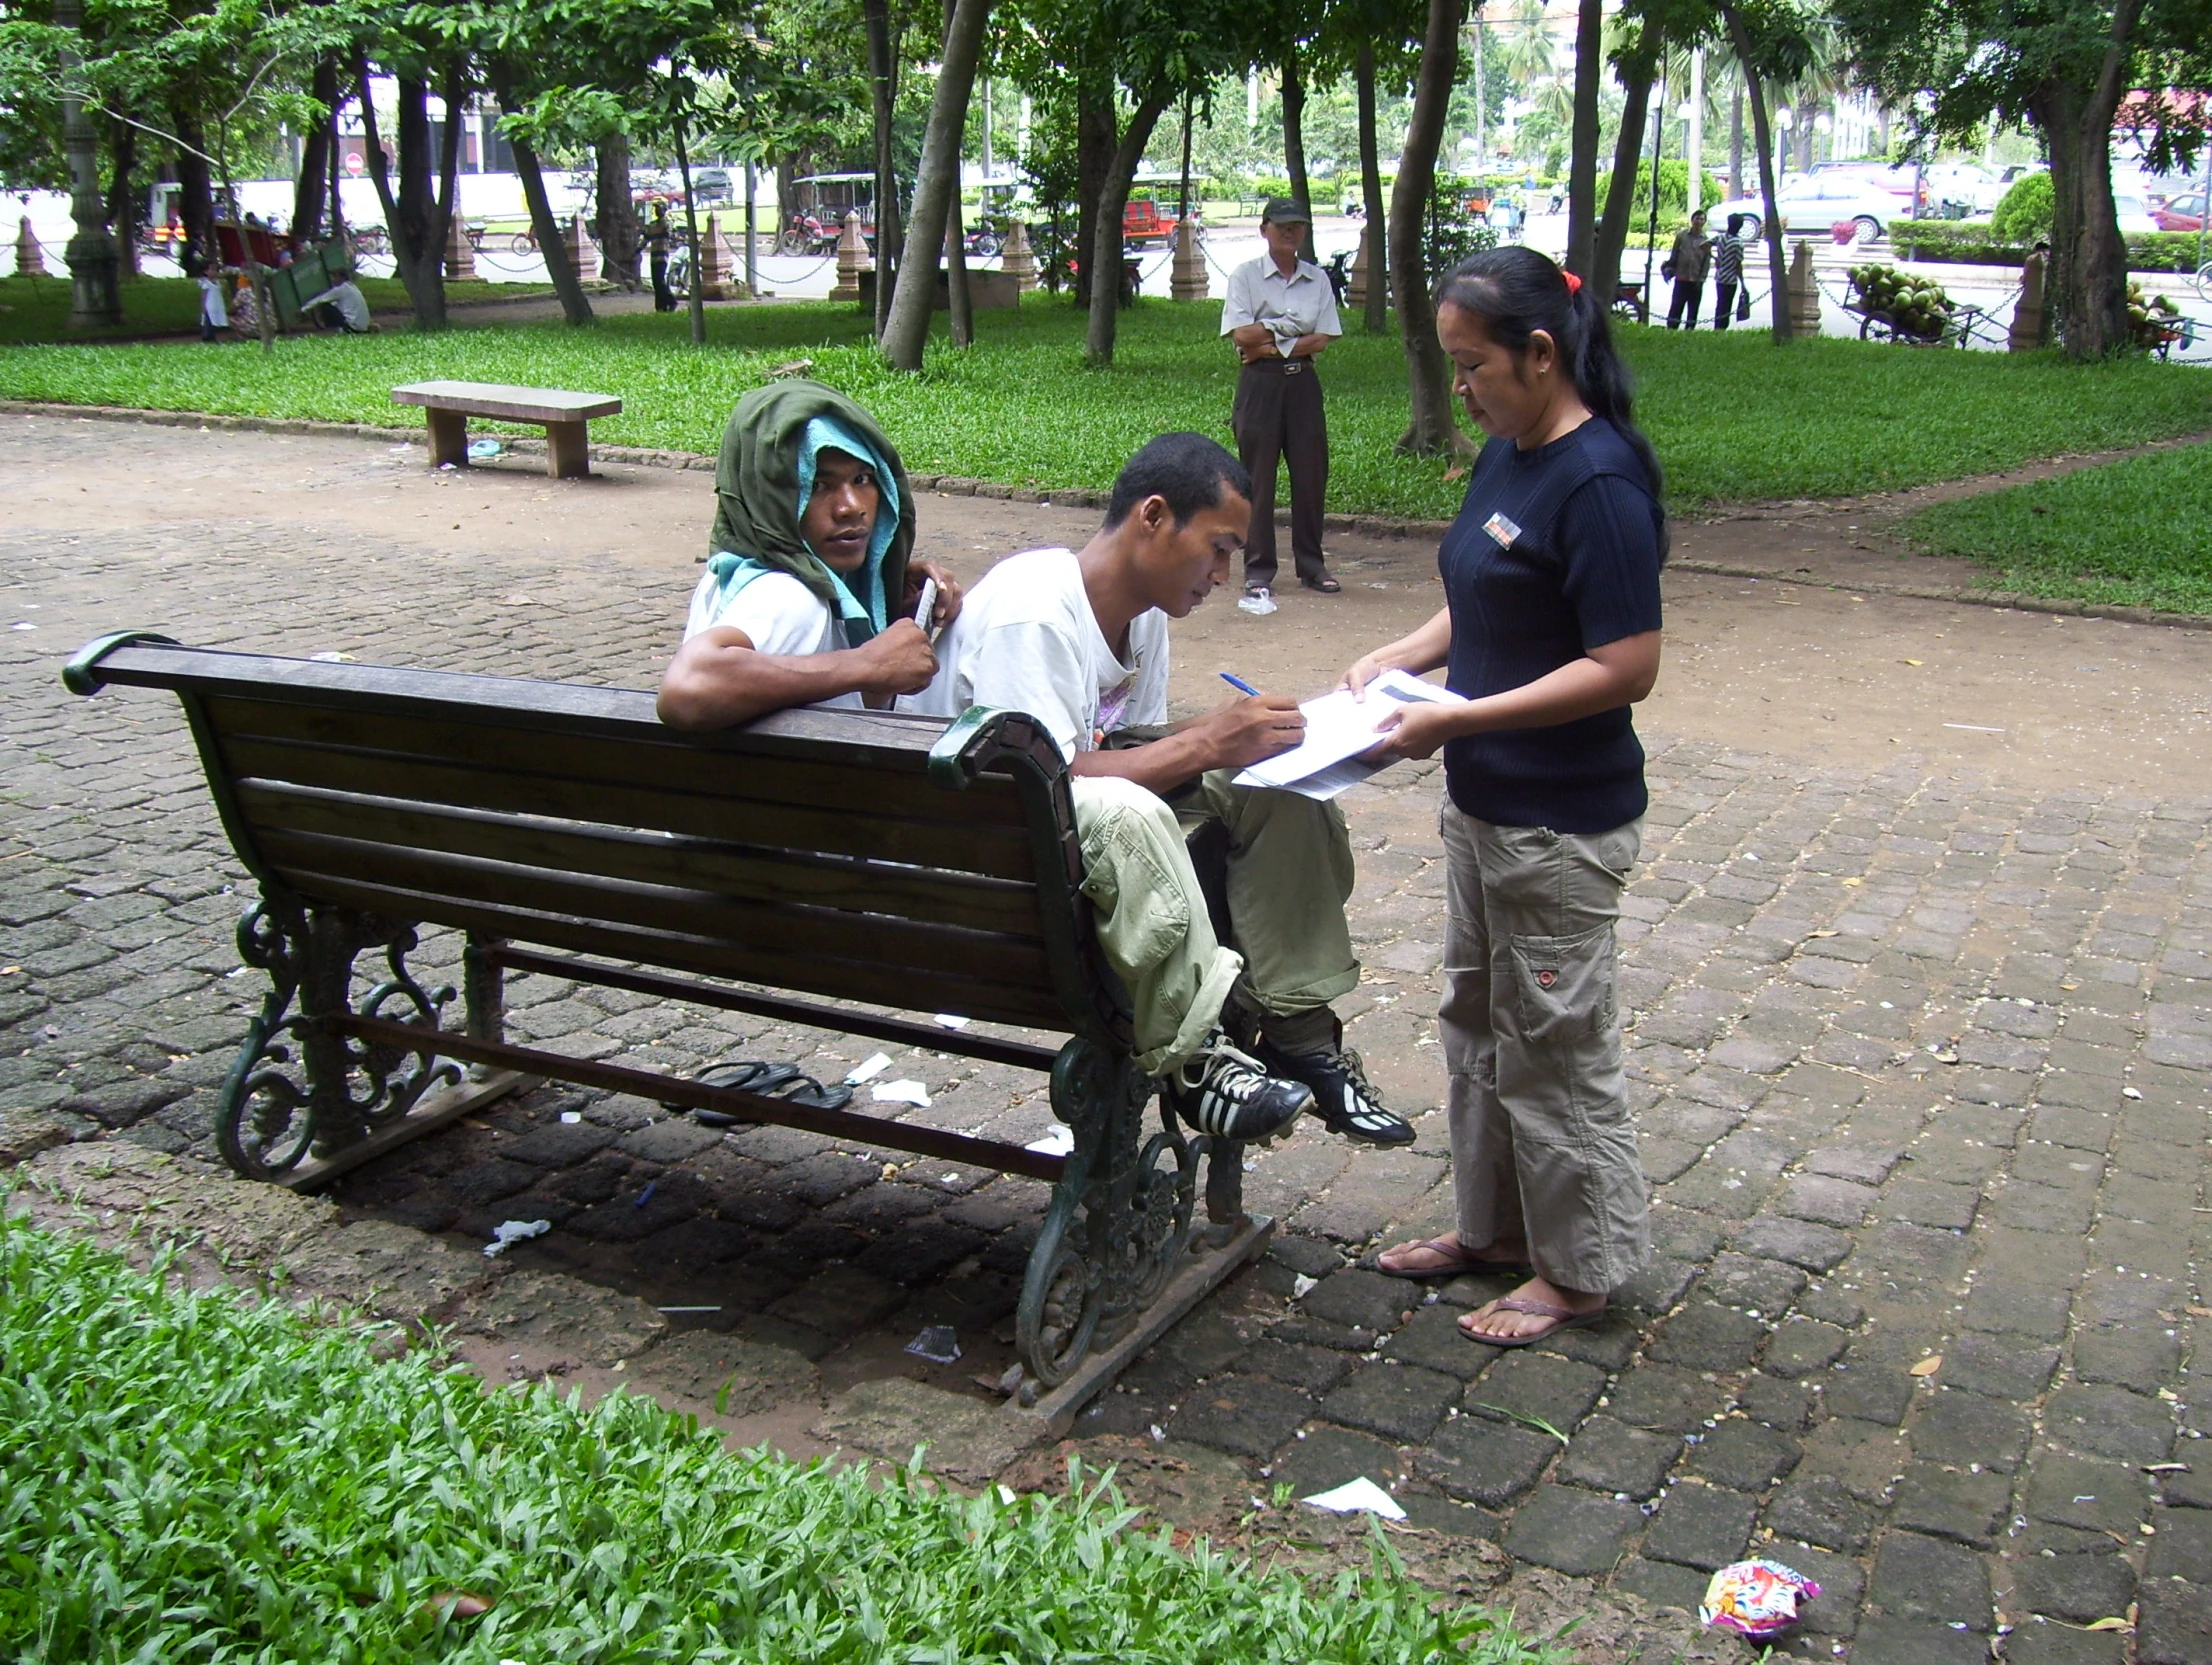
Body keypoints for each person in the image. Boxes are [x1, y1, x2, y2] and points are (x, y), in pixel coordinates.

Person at [907, 432, 1415, 1150]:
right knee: (1158, 789)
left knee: (1274, 785)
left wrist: (1236, 745)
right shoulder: (1036, 609)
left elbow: (1125, 749)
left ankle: (1301, 1036)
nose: (1221, 573)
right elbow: (1042, 783)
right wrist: (1208, 740)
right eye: (1217, 547)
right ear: (1152, 517)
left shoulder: (1144, 616)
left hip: (1057, 828)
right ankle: (1195, 1054)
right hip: (983, 858)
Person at [1356, 245, 1665, 1346]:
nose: (1463, 388)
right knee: (1478, 1023)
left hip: (1557, 821)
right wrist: (1407, 657)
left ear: (1540, 354)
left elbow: (1624, 662)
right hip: (1483, 805)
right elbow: (1485, 596)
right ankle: (1492, 1233)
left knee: (1555, 1042)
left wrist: (1459, 719)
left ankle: (1579, 1270)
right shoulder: (1509, 453)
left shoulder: (1599, 482)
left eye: (1473, 364)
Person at [657, 380, 962, 730]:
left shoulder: (730, 571)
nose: (851, 507)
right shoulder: (789, 596)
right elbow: (688, 689)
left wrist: (882, 590)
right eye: (818, 485)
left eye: (863, 479)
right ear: (768, 496)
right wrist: (865, 663)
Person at [1221, 198, 1343, 611]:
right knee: (1258, 479)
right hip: (1259, 388)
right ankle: (1258, 572)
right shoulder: (1246, 276)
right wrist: (1288, 336)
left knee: (1311, 476)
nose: (1290, 233)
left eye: (1298, 227)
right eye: (1282, 226)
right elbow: (1241, 337)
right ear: (1264, 229)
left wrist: (1269, 340)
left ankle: (1312, 566)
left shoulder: (1317, 280)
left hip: (1303, 385)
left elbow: (1322, 340)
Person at [1666, 208, 1712, 330]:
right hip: (1681, 277)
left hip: (1696, 280)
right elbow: (1674, 254)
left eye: (1702, 219)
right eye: (1697, 218)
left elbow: (1706, 261)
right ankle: (1671, 328)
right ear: (1692, 220)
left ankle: (1690, 329)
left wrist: (1701, 278)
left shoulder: (1706, 240)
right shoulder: (1682, 236)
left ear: (1704, 222)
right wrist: (1670, 268)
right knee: (1676, 305)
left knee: (1693, 308)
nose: (1699, 221)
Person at [1711, 213, 1747, 330]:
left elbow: (1704, 246)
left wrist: (1714, 258)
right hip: (1730, 279)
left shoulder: (1720, 237)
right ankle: (1722, 327)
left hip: (1720, 276)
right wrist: (1742, 283)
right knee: (1726, 305)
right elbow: (1738, 265)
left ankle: (1717, 325)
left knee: (1720, 303)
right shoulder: (1738, 242)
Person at [647, 202, 675, 313]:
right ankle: (660, 306)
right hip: (653, 256)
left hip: (662, 256)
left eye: (659, 209)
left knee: (660, 280)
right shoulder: (652, 225)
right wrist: (637, 251)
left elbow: (669, 233)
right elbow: (645, 239)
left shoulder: (666, 224)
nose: (657, 211)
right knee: (656, 282)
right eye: (656, 209)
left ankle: (671, 300)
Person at [191, 259, 228, 342]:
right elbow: (204, 296)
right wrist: (203, 306)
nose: (214, 272)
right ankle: (206, 336)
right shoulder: (206, 283)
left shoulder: (218, 282)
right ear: (206, 271)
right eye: (212, 269)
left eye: (215, 270)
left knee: (214, 321)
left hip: (217, 304)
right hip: (209, 306)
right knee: (208, 321)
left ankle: (213, 336)